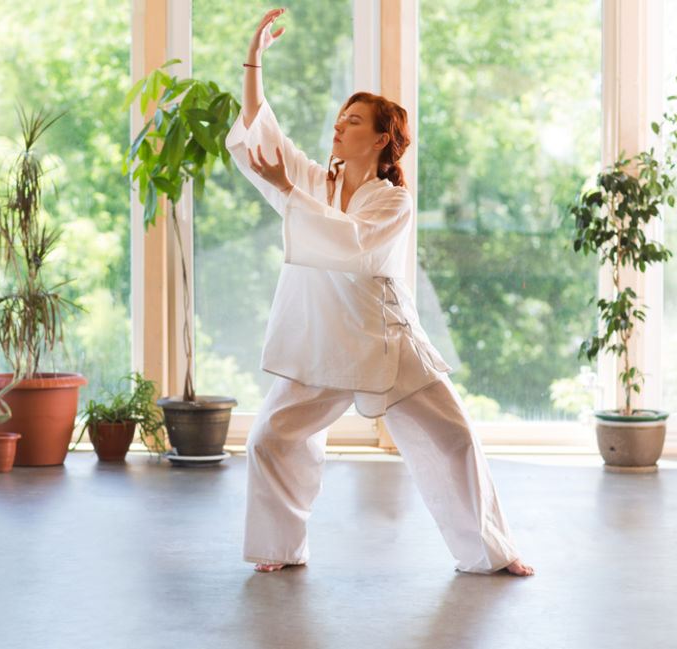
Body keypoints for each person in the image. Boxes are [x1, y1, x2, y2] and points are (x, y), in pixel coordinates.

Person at [225, 7, 534, 577]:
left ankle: (493, 550)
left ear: (383, 138)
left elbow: (353, 246)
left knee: (455, 437)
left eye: (354, 120)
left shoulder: (393, 200)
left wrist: (287, 191)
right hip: (321, 341)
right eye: (340, 118)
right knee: (270, 436)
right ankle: (280, 549)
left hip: (386, 341)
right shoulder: (318, 180)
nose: (339, 125)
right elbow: (259, 128)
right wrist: (254, 58)